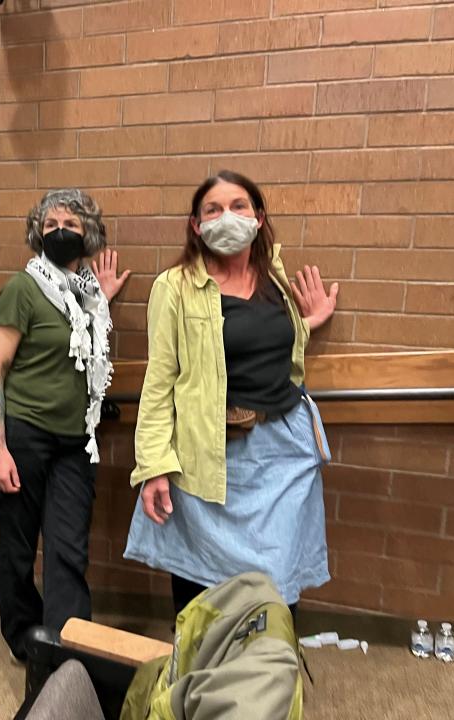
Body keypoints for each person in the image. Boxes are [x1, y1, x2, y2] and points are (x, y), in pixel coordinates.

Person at [124, 170, 340, 618]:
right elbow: (160, 381)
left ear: (259, 218)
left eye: (239, 206)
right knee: (201, 584)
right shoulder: (175, 287)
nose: (227, 217)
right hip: (207, 455)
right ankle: (196, 677)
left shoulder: (274, 279)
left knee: (276, 586)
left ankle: (267, 677)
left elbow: (264, 344)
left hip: (281, 455)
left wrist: (307, 323)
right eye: (213, 209)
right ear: (195, 225)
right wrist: (153, 467)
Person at [0, 188, 130, 662]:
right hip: (22, 436)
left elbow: (86, 354)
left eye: (70, 224)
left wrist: (102, 299)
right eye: (50, 226)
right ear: (37, 235)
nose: (60, 231)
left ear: (88, 233)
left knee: (69, 548)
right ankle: (25, 637)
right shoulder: (22, 289)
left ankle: (67, 646)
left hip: (76, 442)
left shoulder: (89, 299)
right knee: (20, 548)